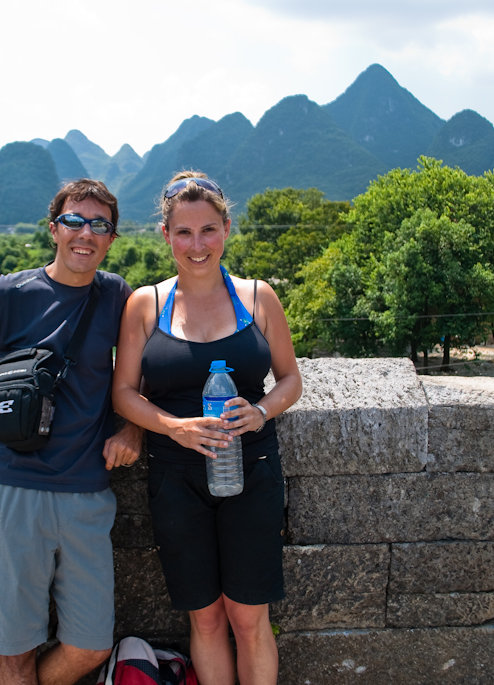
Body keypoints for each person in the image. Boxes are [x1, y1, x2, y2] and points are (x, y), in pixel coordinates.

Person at [0, 178, 143, 685]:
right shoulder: (10, 293)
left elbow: (140, 367)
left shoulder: (116, 295)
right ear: (54, 229)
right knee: (13, 648)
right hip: (14, 488)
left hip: (87, 493)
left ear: (111, 238)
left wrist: (134, 430)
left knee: (90, 646)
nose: (85, 233)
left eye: (99, 225)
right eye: (74, 221)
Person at [112, 171, 303, 685]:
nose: (197, 246)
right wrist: (173, 427)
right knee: (207, 618)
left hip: (251, 469)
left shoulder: (259, 297)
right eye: (184, 232)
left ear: (227, 229)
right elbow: (123, 392)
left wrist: (260, 411)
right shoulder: (146, 304)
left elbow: (290, 380)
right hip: (176, 477)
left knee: (249, 617)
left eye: (208, 230)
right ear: (165, 235)